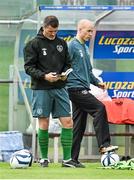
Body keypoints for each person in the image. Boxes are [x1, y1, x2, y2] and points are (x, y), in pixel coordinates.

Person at [23, 15, 78, 168]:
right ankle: (44, 158)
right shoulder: (33, 44)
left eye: (55, 31)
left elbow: (68, 64)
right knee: (44, 123)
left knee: (67, 122)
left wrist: (64, 74)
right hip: (41, 89)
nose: (53, 34)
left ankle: (67, 160)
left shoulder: (61, 44)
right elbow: (28, 67)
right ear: (44, 27)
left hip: (59, 88)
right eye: (50, 31)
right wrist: (44, 76)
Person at [67, 19, 118, 167]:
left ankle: (72, 159)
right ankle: (104, 144)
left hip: (82, 87)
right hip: (75, 88)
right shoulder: (71, 46)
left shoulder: (83, 48)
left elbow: (88, 71)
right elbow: (61, 64)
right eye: (88, 30)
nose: (91, 33)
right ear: (80, 29)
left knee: (79, 125)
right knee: (99, 108)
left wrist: (97, 82)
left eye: (92, 30)